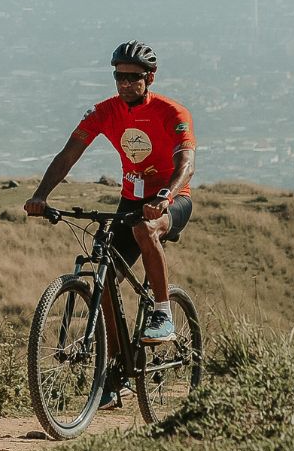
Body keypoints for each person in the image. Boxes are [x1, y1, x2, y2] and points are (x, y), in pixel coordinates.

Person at [23, 41, 195, 408]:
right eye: (119, 76)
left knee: (144, 230)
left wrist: (164, 196)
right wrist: (41, 195)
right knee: (103, 281)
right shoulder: (104, 112)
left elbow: (186, 163)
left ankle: (162, 311)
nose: (124, 84)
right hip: (131, 199)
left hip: (173, 199)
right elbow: (69, 153)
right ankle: (118, 371)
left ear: (150, 78)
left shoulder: (171, 112)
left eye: (133, 77)